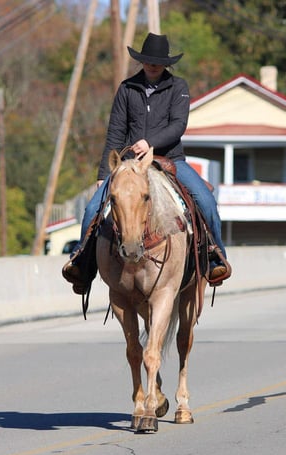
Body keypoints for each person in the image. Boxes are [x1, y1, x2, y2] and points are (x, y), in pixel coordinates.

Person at [62, 33, 229, 294]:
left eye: (158, 62)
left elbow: (178, 125)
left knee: (206, 201)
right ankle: (82, 265)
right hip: (129, 164)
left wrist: (149, 142)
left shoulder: (178, 87)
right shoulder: (127, 88)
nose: (152, 65)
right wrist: (104, 173)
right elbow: (115, 133)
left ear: (166, 64)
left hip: (170, 159)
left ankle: (216, 258)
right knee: (92, 209)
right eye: (148, 60)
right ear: (141, 61)